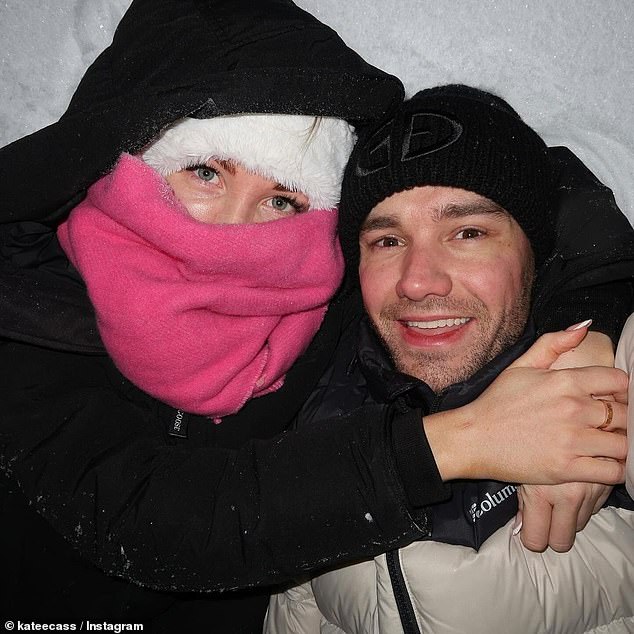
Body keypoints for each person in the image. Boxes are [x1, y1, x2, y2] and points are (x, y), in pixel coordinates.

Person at [0, 0, 632, 630]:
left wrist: (585, 338)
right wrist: (464, 442)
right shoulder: (30, 309)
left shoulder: (315, 292)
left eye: (280, 197)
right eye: (204, 172)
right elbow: (147, 518)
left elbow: (531, 191)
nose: (232, 232)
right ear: (126, 161)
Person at [265, 85, 634, 634]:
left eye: (467, 232)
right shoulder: (302, 407)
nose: (418, 281)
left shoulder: (616, 362)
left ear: (537, 248)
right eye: (387, 241)